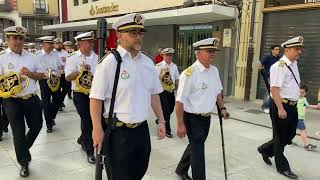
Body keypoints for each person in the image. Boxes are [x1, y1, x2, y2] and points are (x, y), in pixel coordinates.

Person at [90, 13, 166, 180]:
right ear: (119, 35)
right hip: (118, 134)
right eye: (133, 33)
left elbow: (154, 94)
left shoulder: (148, 62)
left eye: (140, 33)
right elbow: (96, 98)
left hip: (141, 131)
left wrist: (161, 120)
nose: (138, 37)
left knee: (139, 172)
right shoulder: (109, 62)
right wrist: (97, 129)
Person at [175, 38, 229, 180]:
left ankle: (181, 169)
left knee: (195, 145)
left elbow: (218, 92)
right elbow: (179, 102)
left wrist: (222, 107)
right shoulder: (189, 74)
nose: (213, 54)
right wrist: (180, 124)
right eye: (209, 51)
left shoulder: (214, 70)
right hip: (192, 118)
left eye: (214, 51)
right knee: (198, 152)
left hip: (206, 118)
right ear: (198, 54)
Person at [257, 36, 304, 179]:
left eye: (300, 49)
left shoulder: (294, 63)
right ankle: (282, 167)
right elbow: (275, 89)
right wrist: (280, 109)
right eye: (297, 49)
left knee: (288, 136)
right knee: (279, 137)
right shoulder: (279, 66)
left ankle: (264, 149)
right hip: (280, 105)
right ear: (288, 49)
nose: (300, 52)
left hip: (292, 106)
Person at [0, 26, 44, 177]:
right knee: (18, 133)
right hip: (12, 101)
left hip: (31, 98)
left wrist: (30, 73)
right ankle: (24, 162)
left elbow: (41, 75)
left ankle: (23, 149)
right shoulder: (2, 58)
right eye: (14, 38)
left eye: (21, 38)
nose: (18, 41)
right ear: (8, 40)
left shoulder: (32, 57)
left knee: (37, 126)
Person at [65, 31, 98, 164]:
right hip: (80, 94)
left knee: (95, 120)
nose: (91, 44)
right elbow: (67, 78)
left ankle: (83, 138)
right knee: (86, 119)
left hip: (95, 93)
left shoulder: (97, 57)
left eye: (92, 42)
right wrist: (79, 71)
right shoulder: (72, 58)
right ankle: (89, 151)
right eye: (88, 42)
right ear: (80, 44)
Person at [37, 36, 64, 133]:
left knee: (58, 99)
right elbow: (35, 70)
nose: (52, 46)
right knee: (46, 102)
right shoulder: (37, 55)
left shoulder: (55, 55)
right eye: (49, 44)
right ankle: (49, 124)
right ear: (43, 44)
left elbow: (61, 66)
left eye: (52, 43)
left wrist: (60, 72)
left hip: (55, 79)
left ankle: (51, 116)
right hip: (44, 80)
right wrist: (43, 75)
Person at [155, 47, 179, 138]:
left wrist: (179, 89)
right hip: (162, 92)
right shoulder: (158, 66)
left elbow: (177, 79)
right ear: (163, 55)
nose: (169, 57)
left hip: (171, 91)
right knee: (166, 110)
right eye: (167, 55)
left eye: (170, 55)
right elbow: (155, 80)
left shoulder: (174, 66)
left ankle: (159, 120)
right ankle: (168, 130)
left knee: (171, 108)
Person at [295, 84, 320, 150]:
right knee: (303, 131)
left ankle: (286, 140)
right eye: (299, 92)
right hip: (297, 118)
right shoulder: (294, 98)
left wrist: (316, 106)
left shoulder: (304, 99)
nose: (300, 94)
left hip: (301, 118)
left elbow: (308, 105)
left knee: (302, 131)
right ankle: (307, 145)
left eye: (302, 92)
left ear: (305, 93)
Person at [257, 45, 280, 113]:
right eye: (276, 49)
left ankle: (273, 107)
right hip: (269, 78)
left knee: (275, 93)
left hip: (277, 78)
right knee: (268, 92)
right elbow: (260, 65)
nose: (278, 51)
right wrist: (264, 73)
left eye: (278, 49)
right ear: (272, 50)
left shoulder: (279, 59)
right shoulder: (267, 57)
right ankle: (265, 107)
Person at [54, 38, 69, 111]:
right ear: (54, 44)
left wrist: (66, 60)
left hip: (64, 73)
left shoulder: (65, 52)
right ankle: (59, 104)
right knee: (58, 90)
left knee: (66, 88)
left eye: (60, 43)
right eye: (57, 43)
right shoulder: (52, 53)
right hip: (56, 74)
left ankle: (60, 101)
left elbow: (69, 62)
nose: (59, 45)